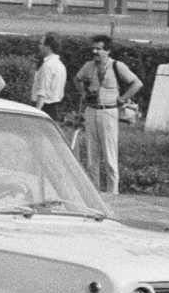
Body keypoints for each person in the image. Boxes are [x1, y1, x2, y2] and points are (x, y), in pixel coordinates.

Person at [74, 35, 142, 195]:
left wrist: (122, 98)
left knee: (110, 155)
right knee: (92, 156)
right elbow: (77, 79)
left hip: (109, 111)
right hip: (91, 110)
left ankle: (113, 194)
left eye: (99, 48)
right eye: (94, 48)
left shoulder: (117, 66)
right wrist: (83, 93)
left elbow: (137, 83)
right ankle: (94, 192)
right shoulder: (89, 66)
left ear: (108, 50)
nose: (95, 51)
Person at [31, 34, 67, 119]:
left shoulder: (47, 66)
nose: (40, 47)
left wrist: (36, 114)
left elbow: (42, 93)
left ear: (48, 47)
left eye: (41, 44)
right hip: (53, 108)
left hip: (44, 108)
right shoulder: (60, 65)